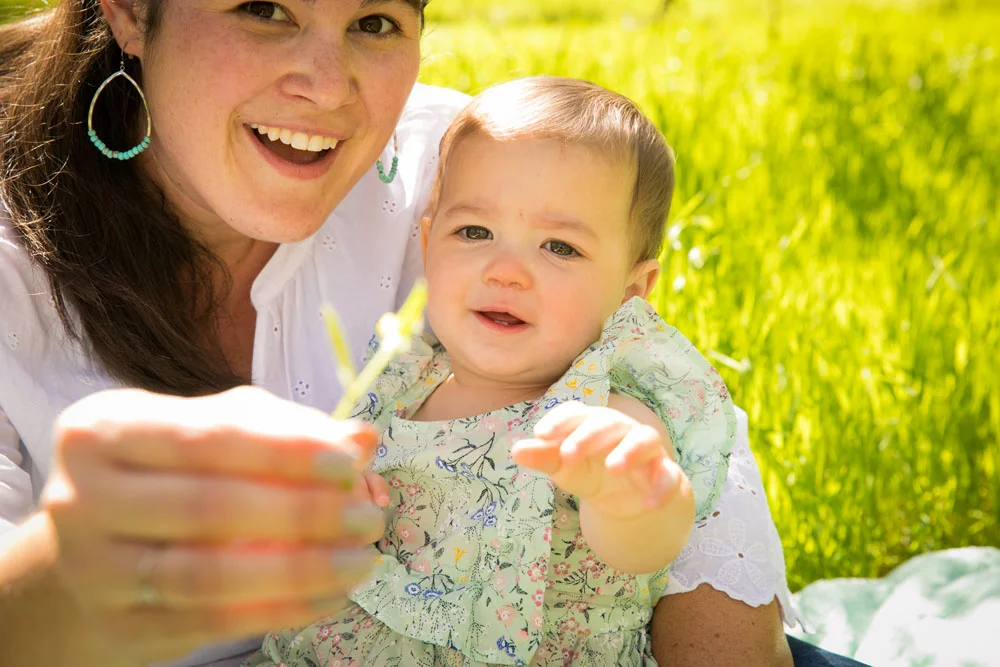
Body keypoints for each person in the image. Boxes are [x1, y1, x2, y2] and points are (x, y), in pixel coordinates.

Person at [0, 0, 861, 665]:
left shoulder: (456, 163)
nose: (328, 84)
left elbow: (674, 421)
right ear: (124, 9)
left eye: (375, 21)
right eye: (264, 8)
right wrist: (83, 566)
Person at [247, 75, 738, 667]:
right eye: (475, 232)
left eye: (559, 247)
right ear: (428, 245)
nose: (506, 271)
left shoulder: (600, 413)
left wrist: (631, 493)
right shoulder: (405, 381)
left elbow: (643, 546)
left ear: (631, 290)